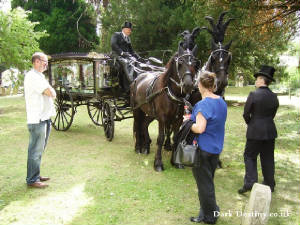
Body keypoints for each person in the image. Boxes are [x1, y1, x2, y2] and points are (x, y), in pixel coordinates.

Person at [185, 71, 227, 224]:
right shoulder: (221, 101)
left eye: (198, 83)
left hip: (203, 150)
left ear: (201, 85)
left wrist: (188, 123)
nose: (197, 85)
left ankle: (211, 216)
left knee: (205, 186)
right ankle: (204, 213)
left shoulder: (202, 105)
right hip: (216, 149)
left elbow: (200, 128)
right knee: (207, 183)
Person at [238, 65, 279, 194]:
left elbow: (246, 114)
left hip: (255, 131)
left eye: (257, 79)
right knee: (268, 157)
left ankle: (250, 182)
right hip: (270, 131)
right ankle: (269, 184)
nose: (255, 81)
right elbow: (273, 114)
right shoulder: (274, 96)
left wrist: (252, 123)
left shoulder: (253, 94)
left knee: (249, 155)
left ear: (262, 80)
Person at [24, 52, 56, 188]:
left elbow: (50, 92)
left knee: (39, 150)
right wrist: (51, 91)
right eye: (44, 61)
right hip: (37, 119)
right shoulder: (32, 76)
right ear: (36, 61)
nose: (46, 64)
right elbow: (50, 93)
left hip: (44, 117)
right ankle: (32, 179)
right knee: (35, 150)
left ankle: (35, 175)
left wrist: (51, 91)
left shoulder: (39, 76)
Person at [111, 21, 141, 91]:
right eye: (128, 29)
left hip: (126, 56)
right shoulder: (116, 35)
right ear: (124, 29)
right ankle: (130, 83)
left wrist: (138, 57)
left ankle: (138, 79)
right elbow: (113, 45)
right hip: (116, 55)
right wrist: (122, 53)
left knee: (135, 61)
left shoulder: (128, 38)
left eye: (130, 30)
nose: (130, 31)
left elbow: (131, 51)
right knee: (126, 62)